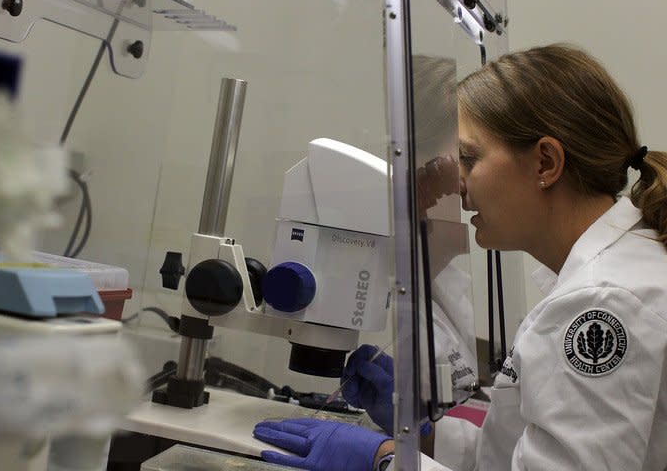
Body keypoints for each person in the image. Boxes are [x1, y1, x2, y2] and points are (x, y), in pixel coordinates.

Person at [252, 43, 667, 471]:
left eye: (469, 158)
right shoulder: (611, 275)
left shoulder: (602, 302)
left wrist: (382, 459)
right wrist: (424, 432)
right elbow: (512, 460)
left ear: (545, 162)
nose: (456, 181)